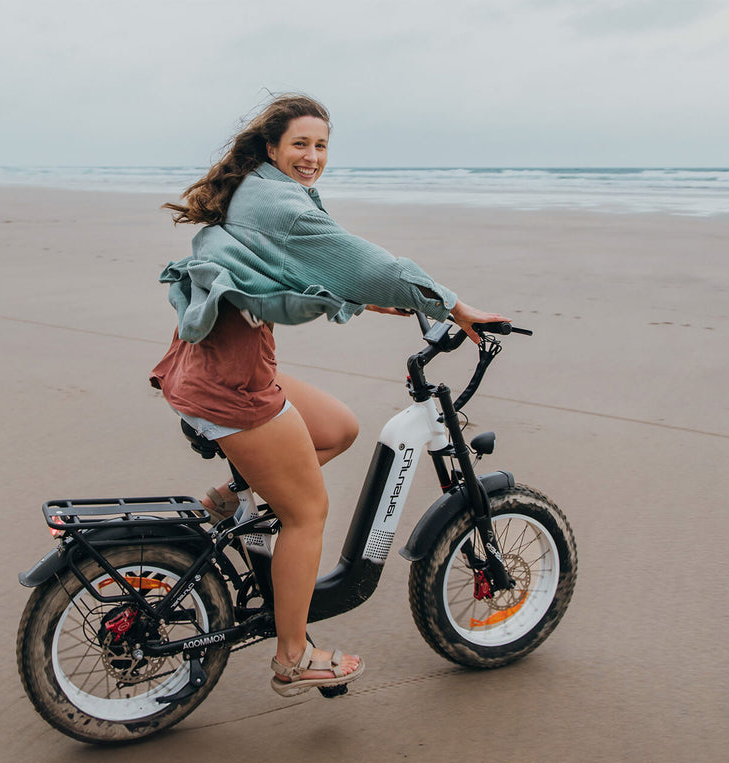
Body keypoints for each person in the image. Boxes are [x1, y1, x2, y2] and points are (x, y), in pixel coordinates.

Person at [150, 93, 509, 696]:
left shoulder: (259, 190)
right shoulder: (281, 203)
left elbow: (286, 272)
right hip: (231, 384)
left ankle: (229, 497)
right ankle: (293, 657)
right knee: (307, 512)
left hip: (217, 365)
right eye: (300, 144)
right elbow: (362, 258)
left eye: (321, 146)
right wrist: (451, 303)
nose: (312, 156)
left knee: (337, 428)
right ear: (271, 148)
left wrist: (362, 296)